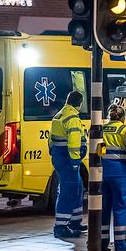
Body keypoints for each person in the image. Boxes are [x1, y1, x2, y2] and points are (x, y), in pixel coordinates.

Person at [99, 101, 126, 251]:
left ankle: (102, 244)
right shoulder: (124, 130)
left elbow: (99, 151)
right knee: (121, 207)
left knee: (104, 208)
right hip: (120, 173)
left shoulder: (102, 129)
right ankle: (120, 245)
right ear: (123, 117)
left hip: (103, 172)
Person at [49, 91, 86, 239]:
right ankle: (61, 226)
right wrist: (75, 162)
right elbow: (74, 143)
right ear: (80, 103)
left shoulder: (59, 115)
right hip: (68, 159)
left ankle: (75, 221)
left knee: (77, 188)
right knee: (68, 191)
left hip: (59, 157)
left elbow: (51, 139)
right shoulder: (73, 118)